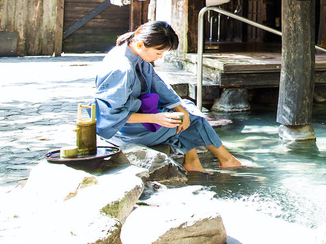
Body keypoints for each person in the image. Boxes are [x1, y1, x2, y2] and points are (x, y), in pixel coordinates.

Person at [94, 20, 242, 171]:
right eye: (158, 53)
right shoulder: (121, 68)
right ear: (140, 45)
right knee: (186, 120)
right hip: (122, 131)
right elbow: (111, 115)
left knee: (185, 110)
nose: (160, 57)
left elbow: (158, 84)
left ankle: (197, 161)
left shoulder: (135, 52)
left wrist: (179, 107)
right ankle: (223, 160)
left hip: (138, 117)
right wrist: (154, 118)